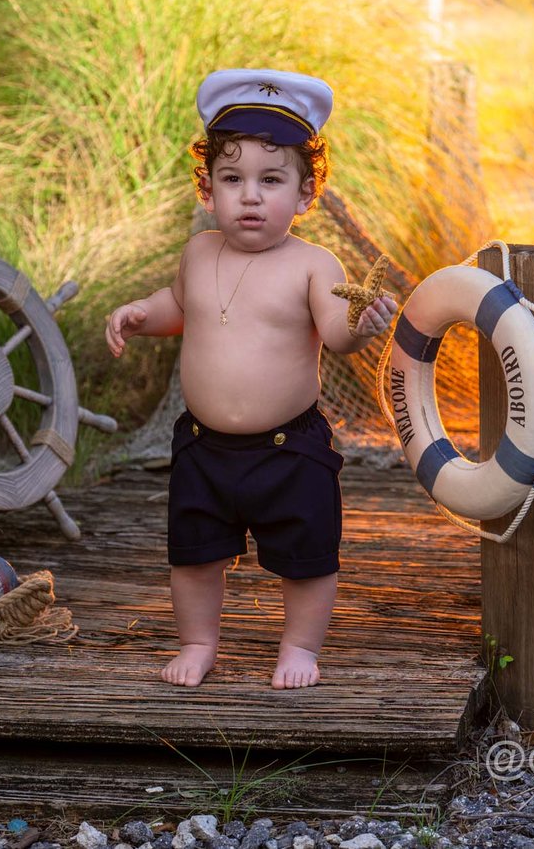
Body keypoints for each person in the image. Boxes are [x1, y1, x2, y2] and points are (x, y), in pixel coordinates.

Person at [104, 68, 398, 690]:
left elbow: (336, 334)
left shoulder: (313, 265)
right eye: (232, 179)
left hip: (288, 449)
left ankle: (299, 647)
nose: (251, 197)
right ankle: (199, 641)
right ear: (208, 190)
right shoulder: (199, 253)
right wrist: (141, 315)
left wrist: (362, 325)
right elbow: (179, 307)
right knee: (194, 555)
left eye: (271, 180)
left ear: (306, 194)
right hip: (202, 447)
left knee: (307, 557)